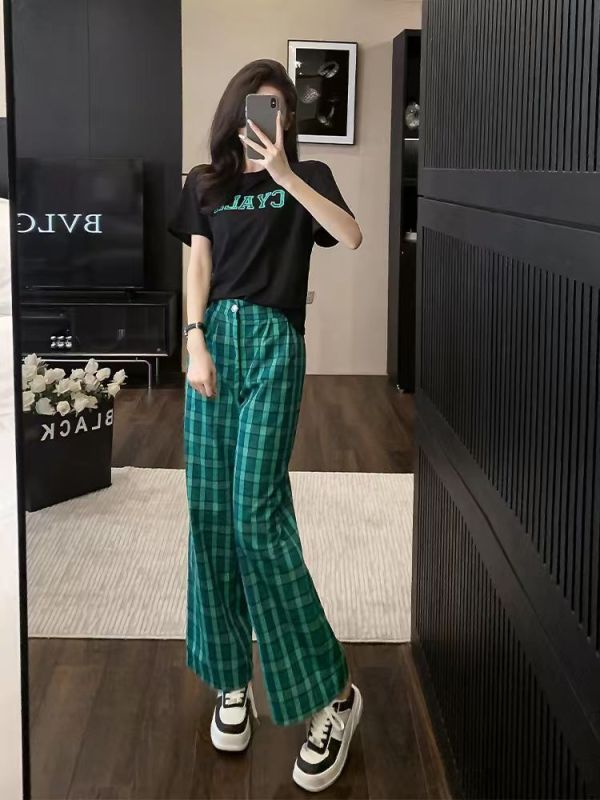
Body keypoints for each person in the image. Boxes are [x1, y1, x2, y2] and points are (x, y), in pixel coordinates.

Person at [167, 57, 363, 793]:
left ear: (289, 120)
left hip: (276, 344)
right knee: (210, 515)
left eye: (280, 108)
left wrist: (285, 174)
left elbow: (350, 237)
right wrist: (193, 342)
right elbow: (199, 265)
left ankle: (334, 694)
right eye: (259, 105)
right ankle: (231, 679)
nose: (269, 118)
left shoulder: (307, 178)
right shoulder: (204, 182)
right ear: (235, 110)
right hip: (214, 343)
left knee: (256, 516)